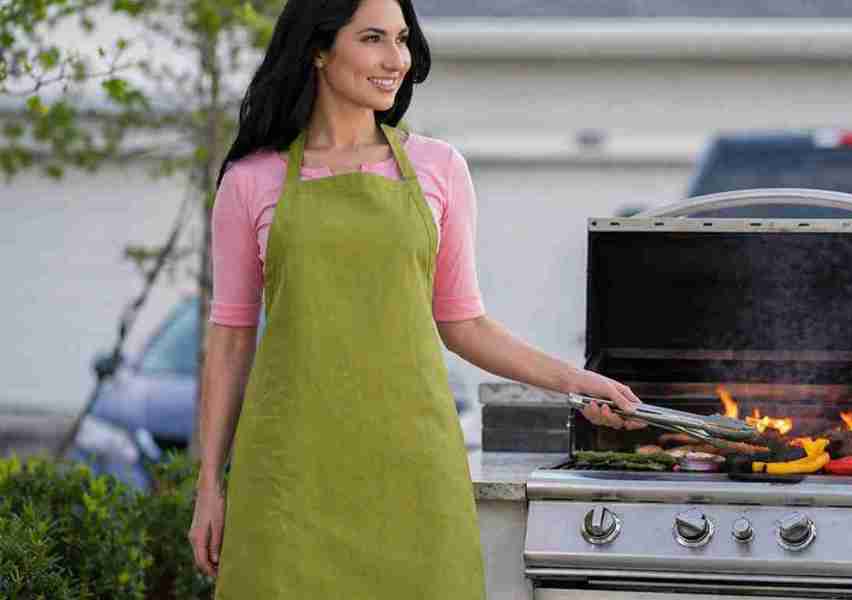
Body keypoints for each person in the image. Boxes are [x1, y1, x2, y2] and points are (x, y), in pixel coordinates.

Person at [188, 0, 646, 597]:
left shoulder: (439, 168)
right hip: (288, 477)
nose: (396, 59)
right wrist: (209, 488)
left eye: (402, 39)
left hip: (413, 471)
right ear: (319, 50)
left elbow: (464, 324)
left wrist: (575, 381)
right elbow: (230, 338)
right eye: (373, 38)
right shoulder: (252, 181)